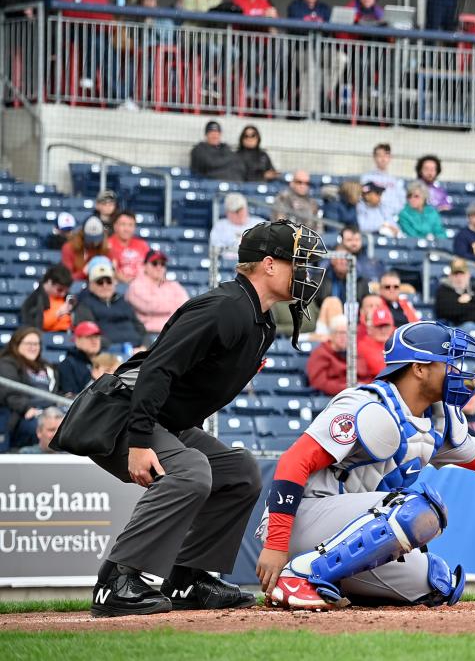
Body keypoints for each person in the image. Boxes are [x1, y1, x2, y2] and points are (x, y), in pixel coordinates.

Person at [255, 321, 475, 609]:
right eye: (449, 363)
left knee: (434, 584)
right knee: (417, 510)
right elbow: (294, 461)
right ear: (418, 368)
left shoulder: (439, 417)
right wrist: (276, 544)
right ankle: (298, 576)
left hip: (346, 532)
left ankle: (330, 582)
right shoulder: (369, 407)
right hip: (304, 519)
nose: (459, 372)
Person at [74, 220, 326, 619]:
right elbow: (156, 369)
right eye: (298, 261)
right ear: (268, 265)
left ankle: (187, 577)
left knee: (240, 471)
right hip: (120, 414)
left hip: (158, 419)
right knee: (191, 471)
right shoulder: (225, 306)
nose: (307, 272)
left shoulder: (259, 321)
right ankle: (115, 580)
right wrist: (139, 442)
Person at [0, 327, 58, 449]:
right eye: (28, 343)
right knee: (38, 428)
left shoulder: (46, 366)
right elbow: (10, 392)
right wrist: (26, 408)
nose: (33, 347)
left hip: (51, 411)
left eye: (36, 344)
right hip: (24, 414)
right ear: (16, 345)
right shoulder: (7, 363)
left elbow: (55, 391)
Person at [74, 260, 146, 349]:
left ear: (114, 283)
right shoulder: (85, 305)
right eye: (99, 282)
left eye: (108, 281)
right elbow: (89, 335)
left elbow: (141, 329)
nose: (105, 285)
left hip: (138, 350)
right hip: (108, 353)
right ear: (91, 285)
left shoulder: (124, 302)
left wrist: (145, 347)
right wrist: (121, 349)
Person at [126, 249, 190, 337]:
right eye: (154, 263)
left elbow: (186, 305)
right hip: (148, 334)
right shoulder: (136, 284)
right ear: (144, 266)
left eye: (162, 264)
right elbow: (149, 305)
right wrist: (173, 304)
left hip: (174, 331)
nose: (159, 267)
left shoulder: (173, 285)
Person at [305, 316, 373, 397]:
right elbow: (318, 383)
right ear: (331, 335)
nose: (344, 336)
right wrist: (347, 388)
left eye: (348, 333)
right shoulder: (320, 354)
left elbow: (367, 377)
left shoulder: (355, 353)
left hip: (358, 396)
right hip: (332, 399)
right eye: (341, 333)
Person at [210, 193, 266, 259]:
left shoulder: (260, 223)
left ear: (246, 208)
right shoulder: (220, 227)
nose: (239, 214)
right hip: (229, 264)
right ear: (227, 212)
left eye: (241, 209)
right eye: (235, 211)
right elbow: (217, 251)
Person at [20, 265, 74, 333]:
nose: (63, 294)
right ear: (50, 282)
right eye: (60, 290)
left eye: (66, 291)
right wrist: (59, 313)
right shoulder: (34, 299)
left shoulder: (68, 298)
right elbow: (35, 325)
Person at [361, 143, 407, 218]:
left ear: (390, 158)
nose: (383, 159)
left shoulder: (396, 181)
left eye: (386, 155)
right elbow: (365, 200)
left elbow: (402, 202)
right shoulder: (366, 178)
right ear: (374, 157)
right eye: (379, 155)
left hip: (392, 218)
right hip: (372, 216)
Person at [105, 210, 149, 284]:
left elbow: (150, 267)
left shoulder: (142, 245)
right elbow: (107, 269)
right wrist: (129, 282)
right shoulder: (107, 244)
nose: (127, 229)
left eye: (130, 225)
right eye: (123, 224)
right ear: (115, 226)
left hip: (141, 286)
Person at [61, 216, 108, 281]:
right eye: (90, 239)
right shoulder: (69, 248)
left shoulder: (106, 247)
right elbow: (67, 278)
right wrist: (84, 272)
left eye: (97, 239)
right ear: (83, 234)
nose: (94, 242)